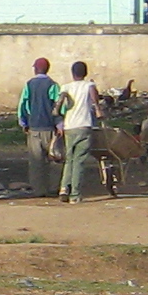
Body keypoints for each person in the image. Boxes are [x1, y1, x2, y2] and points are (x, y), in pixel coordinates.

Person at [17, 58, 62, 198]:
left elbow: (23, 104)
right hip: (50, 127)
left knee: (36, 160)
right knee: (55, 158)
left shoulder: (29, 85)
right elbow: (58, 106)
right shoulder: (53, 85)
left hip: (34, 127)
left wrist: (23, 122)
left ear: (35, 69)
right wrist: (59, 124)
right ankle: (55, 187)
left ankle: (39, 189)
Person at [57, 61, 100, 203]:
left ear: (72, 73)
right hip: (84, 126)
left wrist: (57, 109)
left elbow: (61, 99)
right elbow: (95, 100)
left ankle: (64, 188)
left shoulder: (66, 87)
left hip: (69, 127)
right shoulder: (89, 85)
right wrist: (99, 110)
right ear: (85, 73)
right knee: (79, 160)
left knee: (69, 159)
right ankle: (75, 194)